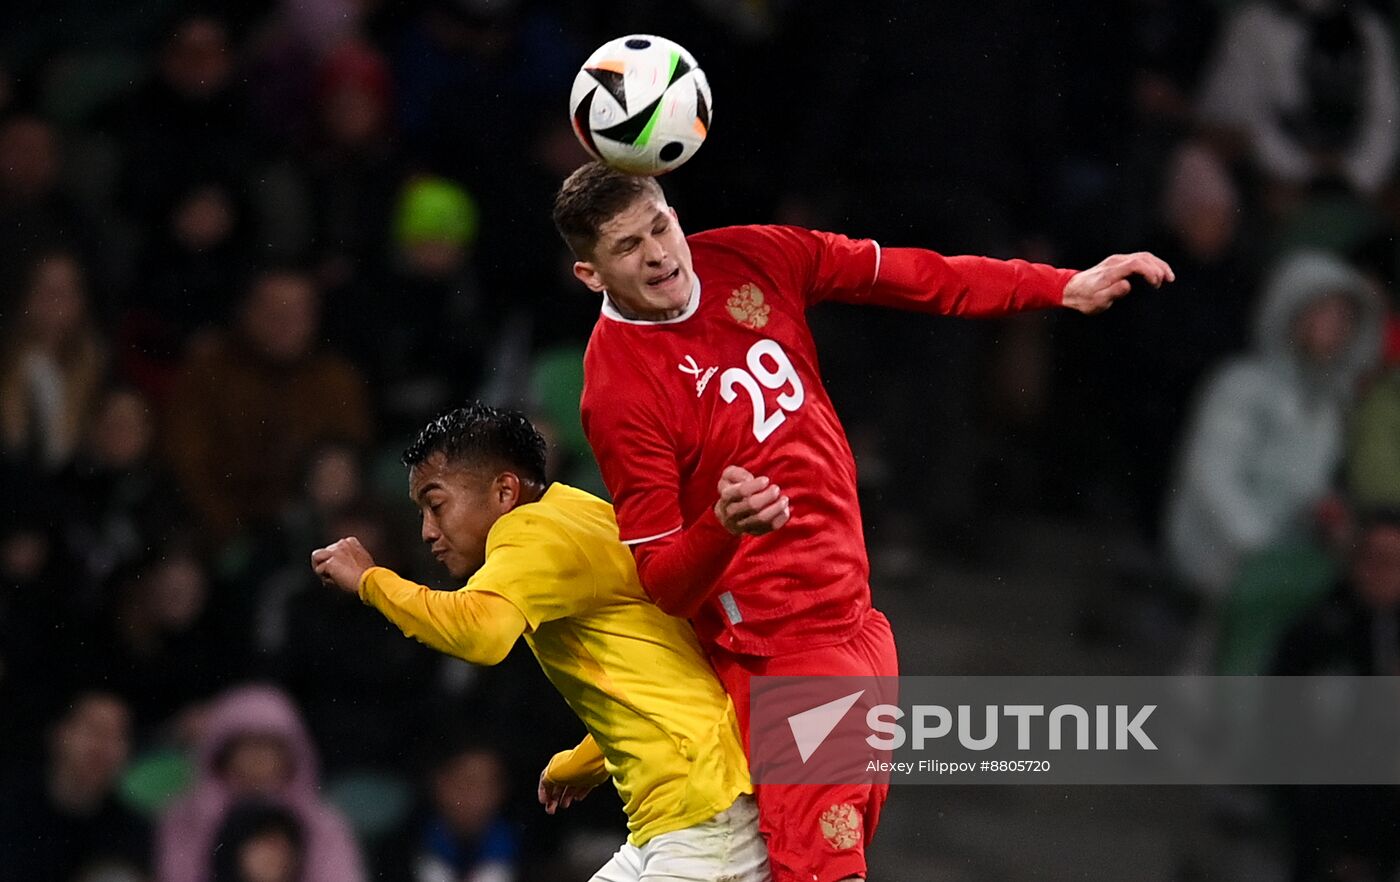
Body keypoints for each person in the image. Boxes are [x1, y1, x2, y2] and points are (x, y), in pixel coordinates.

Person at [552, 160, 1174, 882]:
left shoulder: (751, 254)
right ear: (591, 275)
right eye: (628, 247)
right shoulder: (620, 387)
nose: (660, 254)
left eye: (661, 225)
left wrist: (1057, 284)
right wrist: (724, 524)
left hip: (855, 624)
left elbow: (907, 276)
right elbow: (662, 582)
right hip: (778, 656)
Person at [311, 403, 767, 881]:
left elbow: (480, 634)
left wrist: (370, 581)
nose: (427, 531)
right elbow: (654, 680)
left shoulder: (530, 532)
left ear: (505, 491)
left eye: (436, 504)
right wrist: (582, 761)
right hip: (689, 806)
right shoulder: (576, 511)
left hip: (705, 816)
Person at [156, 684, 365, 882]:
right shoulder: (188, 817)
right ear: (223, 751)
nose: (259, 758)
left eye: (270, 746)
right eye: (248, 745)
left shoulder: (321, 822)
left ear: (292, 753)